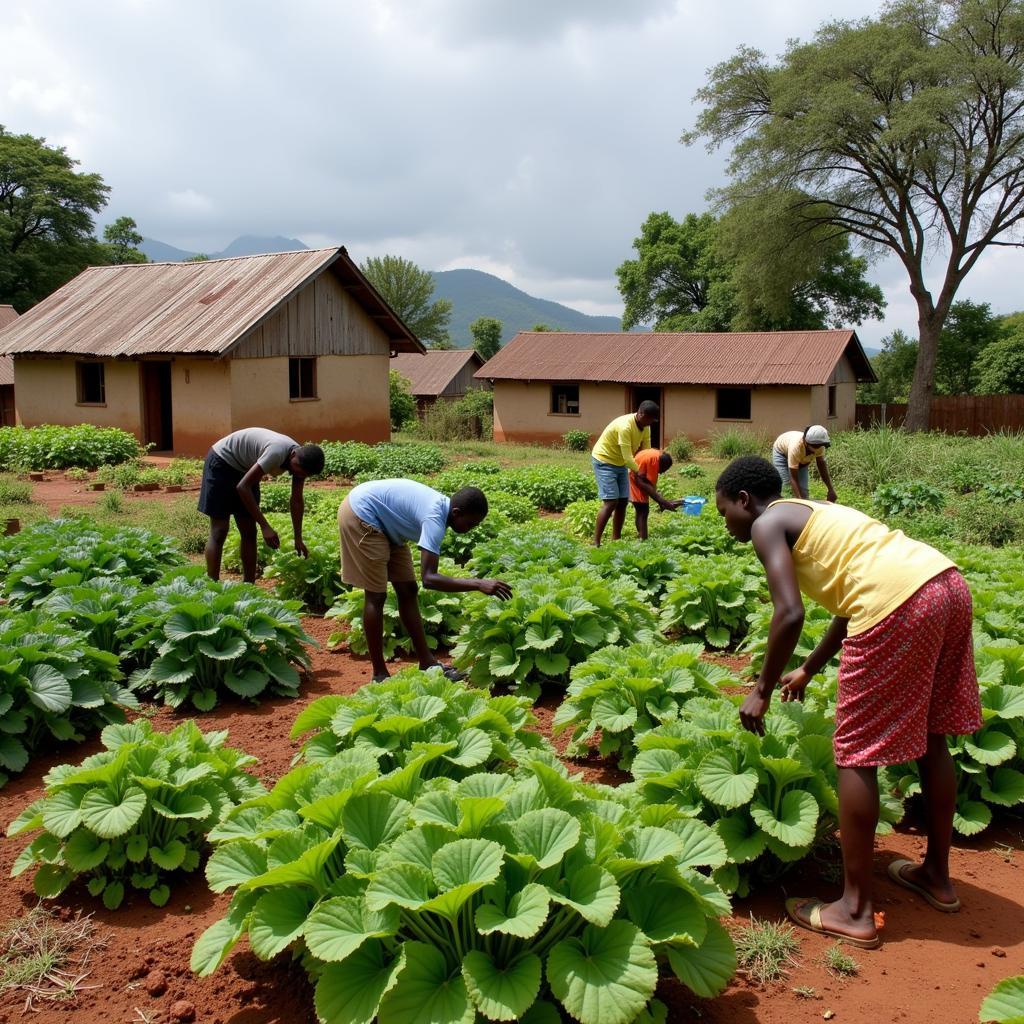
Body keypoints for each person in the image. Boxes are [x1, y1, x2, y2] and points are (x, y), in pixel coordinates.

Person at [714, 456, 981, 949]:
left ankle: (855, 910)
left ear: (744, 501)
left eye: (723, 510)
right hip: (944, 583)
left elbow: (789, 612)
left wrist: (761, 690)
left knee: (856, 752)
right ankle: (937, 878)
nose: (725, 521)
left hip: (896, 605)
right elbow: (848, 598)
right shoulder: (810, 511)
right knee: (931, 736)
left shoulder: (767, 523)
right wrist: (810, 667)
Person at [339, 479, 512, 682]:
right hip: (362, 513)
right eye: (470, 524)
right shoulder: (435, 518)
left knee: (408, 590)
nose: (470, 529)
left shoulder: (443, 512)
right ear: (456, 513)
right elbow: (429, 579)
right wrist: (478, 584)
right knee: (377, 595)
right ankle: (379, 674)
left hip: (386, 522)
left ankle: (427, 663)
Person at [199, 428, 325, 583]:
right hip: (222, 462)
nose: (299, 475)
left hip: (246, 469)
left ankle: (249, 587)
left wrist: (298, 538)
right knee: (219, 531)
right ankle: (212, 586)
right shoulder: (277, 452)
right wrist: (265, 526)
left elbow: (296, 500)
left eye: (304, 474)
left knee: (249, 531)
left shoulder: (302, 463)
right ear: (293, 455)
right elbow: (243, 487)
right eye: (299, 470)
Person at [591, 400, 660, 546]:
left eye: (652, 420)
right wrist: (640, 472)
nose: (650, 423)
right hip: (605, 461)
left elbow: (645, 451)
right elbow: (628, 457)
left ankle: (616, 540)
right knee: (611, 502)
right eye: (649, 419)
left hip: (620, 463)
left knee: (622, 502)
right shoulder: (625, 427)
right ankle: (595, 542)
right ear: (640, 414)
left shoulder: (645, 427)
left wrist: (647, 469)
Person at [772, 425, 837, 502]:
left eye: (820, 445)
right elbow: (793, 478)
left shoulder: (820, 446)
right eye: (816, 446)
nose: (818, 448)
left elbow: (821, 465)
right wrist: (800, 502)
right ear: (806, 442)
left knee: (804, 492)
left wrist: (830, 489)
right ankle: (782, 509)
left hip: (802, 460)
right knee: (786, 488)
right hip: (781, 453)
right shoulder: (796, 447)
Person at [629, 449, 683, 539]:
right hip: (634, 479)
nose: (661, 473)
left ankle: (641, 536)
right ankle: (643, 539)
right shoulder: (655, 461)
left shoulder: (656, 455)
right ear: (662, 464)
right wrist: (664, 502)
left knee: (641, 510)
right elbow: (643, 483)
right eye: (663, 470)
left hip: (635, 476)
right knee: (643, 510)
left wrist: (661, 502)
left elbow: (650, 485)